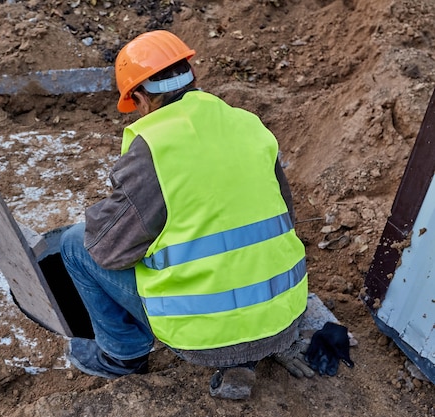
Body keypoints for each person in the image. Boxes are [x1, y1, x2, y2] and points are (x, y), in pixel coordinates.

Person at [59, 30, 309, 399]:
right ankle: (249, 356)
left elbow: (108, 250)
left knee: (73, 245)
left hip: (205, 335)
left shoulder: (155, 148)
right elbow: (284, 214)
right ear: (192, 76)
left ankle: (121, 356)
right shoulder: (248, 124)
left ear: (141, 98)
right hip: (285, 314)